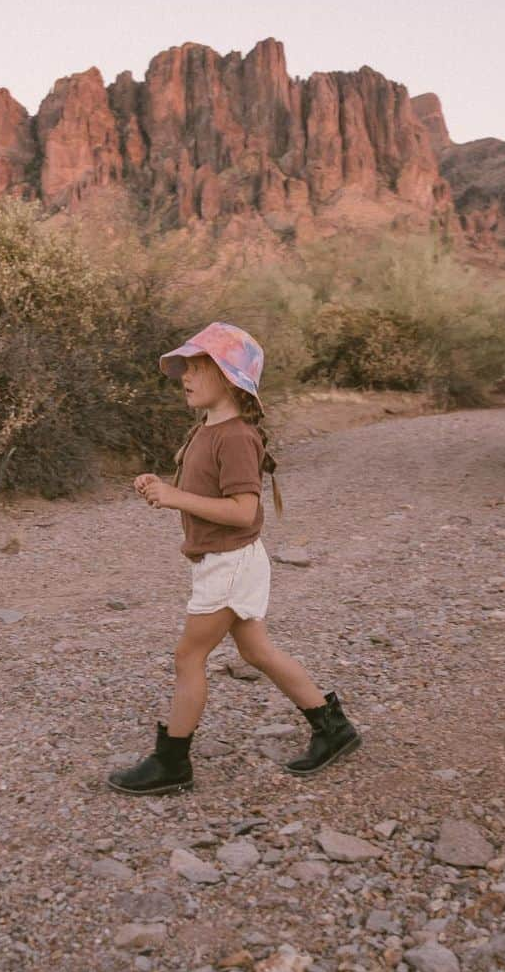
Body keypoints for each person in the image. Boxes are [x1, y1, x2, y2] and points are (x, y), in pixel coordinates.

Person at [107, 320, 361, 795]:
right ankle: (333, 728)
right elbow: (202, 492)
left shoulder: (237, 437)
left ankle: (173, 762)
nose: (186, 374)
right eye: (185, 365)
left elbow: (244, 511)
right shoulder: (207, 429)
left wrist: (176, 498)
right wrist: (160, 487)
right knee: (255, 651)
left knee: (189, 656)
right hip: (228, 560)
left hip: (229, 561)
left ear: (228, 377)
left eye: (199, 366)